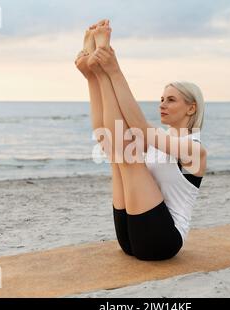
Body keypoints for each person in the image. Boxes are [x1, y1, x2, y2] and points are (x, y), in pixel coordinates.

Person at [75, 19, 207, 261]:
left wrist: (112, 70)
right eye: (161, 99)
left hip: (164, 241)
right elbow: (114, 134)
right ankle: (94, 77)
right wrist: (96, 75)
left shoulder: (194, 150)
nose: (162, 105)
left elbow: (141, 127)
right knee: (113, 149)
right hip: (132, 234)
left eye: (171, 100)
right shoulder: (160, 141)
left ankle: (100, 72)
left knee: (126, 156)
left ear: (191, 108)